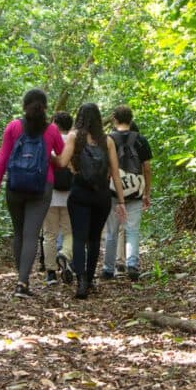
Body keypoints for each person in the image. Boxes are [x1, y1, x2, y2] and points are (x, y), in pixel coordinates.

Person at [0, 89, 66, 298]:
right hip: (41, 187)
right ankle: (22, 282)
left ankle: (21, 278)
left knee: (19, 233)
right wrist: (50, 159)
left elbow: (2, 159)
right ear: (45, 107)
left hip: (15, 185)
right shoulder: (52, 130)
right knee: (31, 234)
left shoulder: (13, 126)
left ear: (24, 106)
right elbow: (62, 157)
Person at [53, 102, 126, 299]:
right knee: (94, 239)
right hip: (101, 195)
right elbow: (115, 173)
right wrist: (121, 201)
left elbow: (61, 162)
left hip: (79, 194)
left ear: (80, 117)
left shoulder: (74, 136)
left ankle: (81, 281)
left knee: (79, 237)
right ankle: (91, 278)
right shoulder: (107, 140)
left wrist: (50, 155)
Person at [102, 107, 152, 281]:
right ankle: (132, 265)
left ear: (114, 119)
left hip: (113, 192)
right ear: (131, 119)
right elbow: (147, 168)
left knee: (112, 232)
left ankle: (108, 269)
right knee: (132, 230)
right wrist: (146, 192)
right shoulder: (141, 140)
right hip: (135, 190)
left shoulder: (108, 140)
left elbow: (104, 168)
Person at [42, 111, 74, 284]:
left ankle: (51, 273)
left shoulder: (48, 141)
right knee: (69, 232)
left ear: (54, 123)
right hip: (70, 196)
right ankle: (65, 255)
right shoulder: (73, 142)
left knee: (50, 234)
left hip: (50, 195)